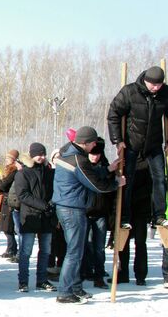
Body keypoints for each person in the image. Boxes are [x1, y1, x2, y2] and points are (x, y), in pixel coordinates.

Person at [52, 126, 124, 304]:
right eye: (93, 143)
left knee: (76, 250)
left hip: (66, 207)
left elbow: (85, 175)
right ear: (86, 142)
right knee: (74, 252)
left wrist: (108, 169)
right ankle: (65, 292)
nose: (95, 146)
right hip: (73, 209)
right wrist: (116, 183)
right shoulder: (78, 159)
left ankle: (75, 288)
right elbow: (96, 185)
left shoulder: (67, 154)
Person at [107, 66, 168, 229]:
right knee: (128, 179)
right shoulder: (130, 92)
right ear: (146, 81)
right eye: (153, 85)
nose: (156, 88)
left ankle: (159, 215)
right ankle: (125, 215)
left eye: (159, 85)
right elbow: (114, 114)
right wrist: (117, 140)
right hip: (132, 143)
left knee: (160, 179)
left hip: (154, 144)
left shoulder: (165, 93)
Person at [14, 143, 57, 293]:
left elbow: (54, 191)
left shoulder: (49, 172)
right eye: (38, 154)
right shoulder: (23, 173)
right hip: (30, 216)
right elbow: (23, 195)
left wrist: (51, 205)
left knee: (45, 250)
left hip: (46, 217)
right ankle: (23, 281)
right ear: (32, 155)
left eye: (43, 154)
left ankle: (42, 280)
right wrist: (43, 205)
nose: (41, 157)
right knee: (26, 251)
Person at [82, 139, 115, 289]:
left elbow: (110, 190)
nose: (95, 157)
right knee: (86, 244)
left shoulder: (107, 169)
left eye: (98, 154)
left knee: (99, 247)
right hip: (86, 212)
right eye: (92, 154)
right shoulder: (84, 167)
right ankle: (86, 270)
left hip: (100, 212)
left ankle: (99, 275)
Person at [0, 149, 20, 258]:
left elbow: (4, 184)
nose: (6, 160)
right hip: (6, 199)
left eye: (8, 158)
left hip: (9, 200)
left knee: (8, 227)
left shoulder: (14, 171)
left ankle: (12, 249)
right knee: (6, 226)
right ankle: (10, 248)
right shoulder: (9, 170)